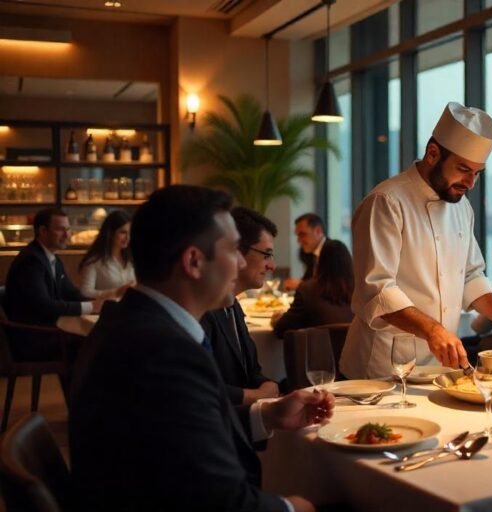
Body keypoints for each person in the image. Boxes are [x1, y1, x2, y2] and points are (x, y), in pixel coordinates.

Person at [69, 185, 333, 512]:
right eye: (233, 249)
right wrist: (292, 508)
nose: (240, 262)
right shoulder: (163, 354)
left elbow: (180, 433)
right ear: (193, 261)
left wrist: (266, 414)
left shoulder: (128, 323)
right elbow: (220, 500)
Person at [341, 101, 492, 378]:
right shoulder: (386, 202)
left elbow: (471, 275)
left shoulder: (462, 207)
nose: (470, 183)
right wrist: (433, 330)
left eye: (477, 174)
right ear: (433, 153)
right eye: (463, 169)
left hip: (439, 365)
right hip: (382, 368)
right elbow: (377, 290)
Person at [200, 207, 280, 406]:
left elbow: (251, 371)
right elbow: (200, 388)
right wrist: (255, 396)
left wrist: (268, 386)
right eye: (266, 255)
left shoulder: (233, 306)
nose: (272, 266)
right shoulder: (203, 311)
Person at [3, 208, 105, 359]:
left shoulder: (52, 258)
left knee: (98, 341)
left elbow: (70, 293)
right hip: (31, 339)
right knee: (96, 345)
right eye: (60, 229)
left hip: (46, 332)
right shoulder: (31, 261)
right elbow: (44, 305)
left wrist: (99, 305)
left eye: (68, 229)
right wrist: (91, 307)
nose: (67, 235)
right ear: (42, 231)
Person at [272, 239, 355, 337]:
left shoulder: (307, 290)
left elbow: (280, 330)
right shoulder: (359, 291)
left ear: (320, 262)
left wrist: (276, 320)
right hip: (354, 346)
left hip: (319, 347)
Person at [78, 209, 136, 300]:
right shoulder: (94, 262)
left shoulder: (131, 259)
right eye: (123, 232)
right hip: (107, 307)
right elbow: (85, 292)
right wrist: (115, 292)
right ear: (111, 233)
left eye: (130, 233)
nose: (128, 237)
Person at [283, 213, 326, 291]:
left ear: (318, 231)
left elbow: (332, 286)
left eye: (302, 234)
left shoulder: (335, 248)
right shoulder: (313, 255)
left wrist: (300, 284)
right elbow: (309, 281)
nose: (298, 240)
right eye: (297, 235)